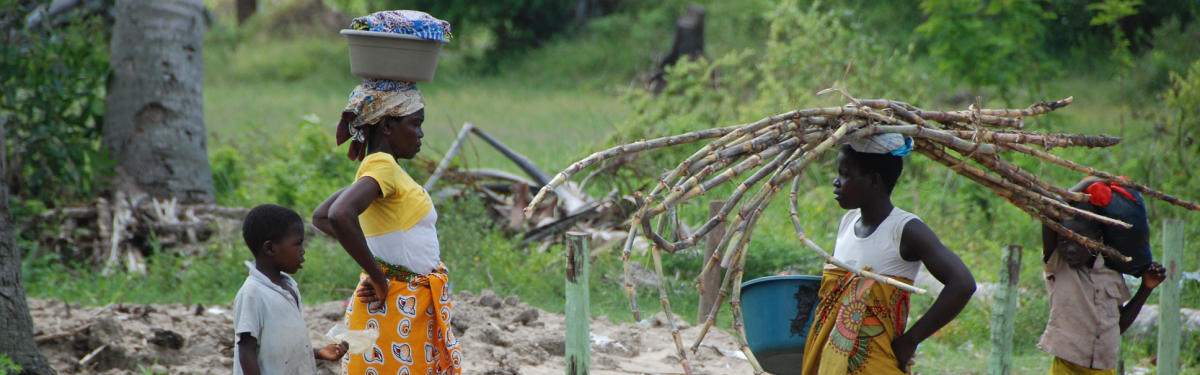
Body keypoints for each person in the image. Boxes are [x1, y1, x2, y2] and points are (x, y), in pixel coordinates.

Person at [312, 11, 460, 375]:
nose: (421, 134)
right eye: (415, 124)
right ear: (388, 126)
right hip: (396, 307)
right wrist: (378, 277)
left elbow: (322, 215)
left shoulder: (382, 169)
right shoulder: (383, 166)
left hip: (406, 304)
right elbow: (337, 216)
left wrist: (380, 266)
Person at [802, 136, 976, 375]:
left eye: (844, 174)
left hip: (875, 363)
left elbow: (963, 283)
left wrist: (911, 339)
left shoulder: (905, 229)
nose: (835, 182)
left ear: (874, 181)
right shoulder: (847, 222)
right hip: (827, 363)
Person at [1038, 192, 1167, 374]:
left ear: (1097, 238)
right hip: (1067, 366)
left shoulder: (1113, 274)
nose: (1070, 249)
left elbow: (1118, 326)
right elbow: (1048, 209)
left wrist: (1146, 288)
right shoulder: (1059, 266)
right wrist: (1086, 185)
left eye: (1078, 240)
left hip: (1104, 368)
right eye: (1063, 241)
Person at [234, 204, 348, 375]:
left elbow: (281, 346)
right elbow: (246, 352)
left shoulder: (289, 286)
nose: (303, 252)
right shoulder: (253, 293)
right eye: (298, 244)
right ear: (270, 248)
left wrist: (317, 353)